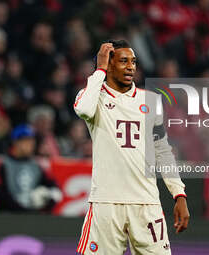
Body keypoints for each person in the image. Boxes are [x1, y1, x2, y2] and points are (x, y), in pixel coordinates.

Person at [74, 40, 190, 254]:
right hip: (106, 204)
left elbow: (162, 151)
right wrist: (99, 70)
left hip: (147, 204)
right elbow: (83, 110)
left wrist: (179, 194)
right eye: (123, 61)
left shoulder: (152, 101)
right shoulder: (93, 98)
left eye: (134, 62)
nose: (131, 67)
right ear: (109, 65)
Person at [0, 124, 62, 212]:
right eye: (27, 141)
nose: (31, 145)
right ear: (15, 142)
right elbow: (2, 195)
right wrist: (24, 211)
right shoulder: (3, 165)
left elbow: (55, 188)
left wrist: (47, 201)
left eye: (32, 141)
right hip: (8, 217)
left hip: (32, 218)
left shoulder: (38, 166)